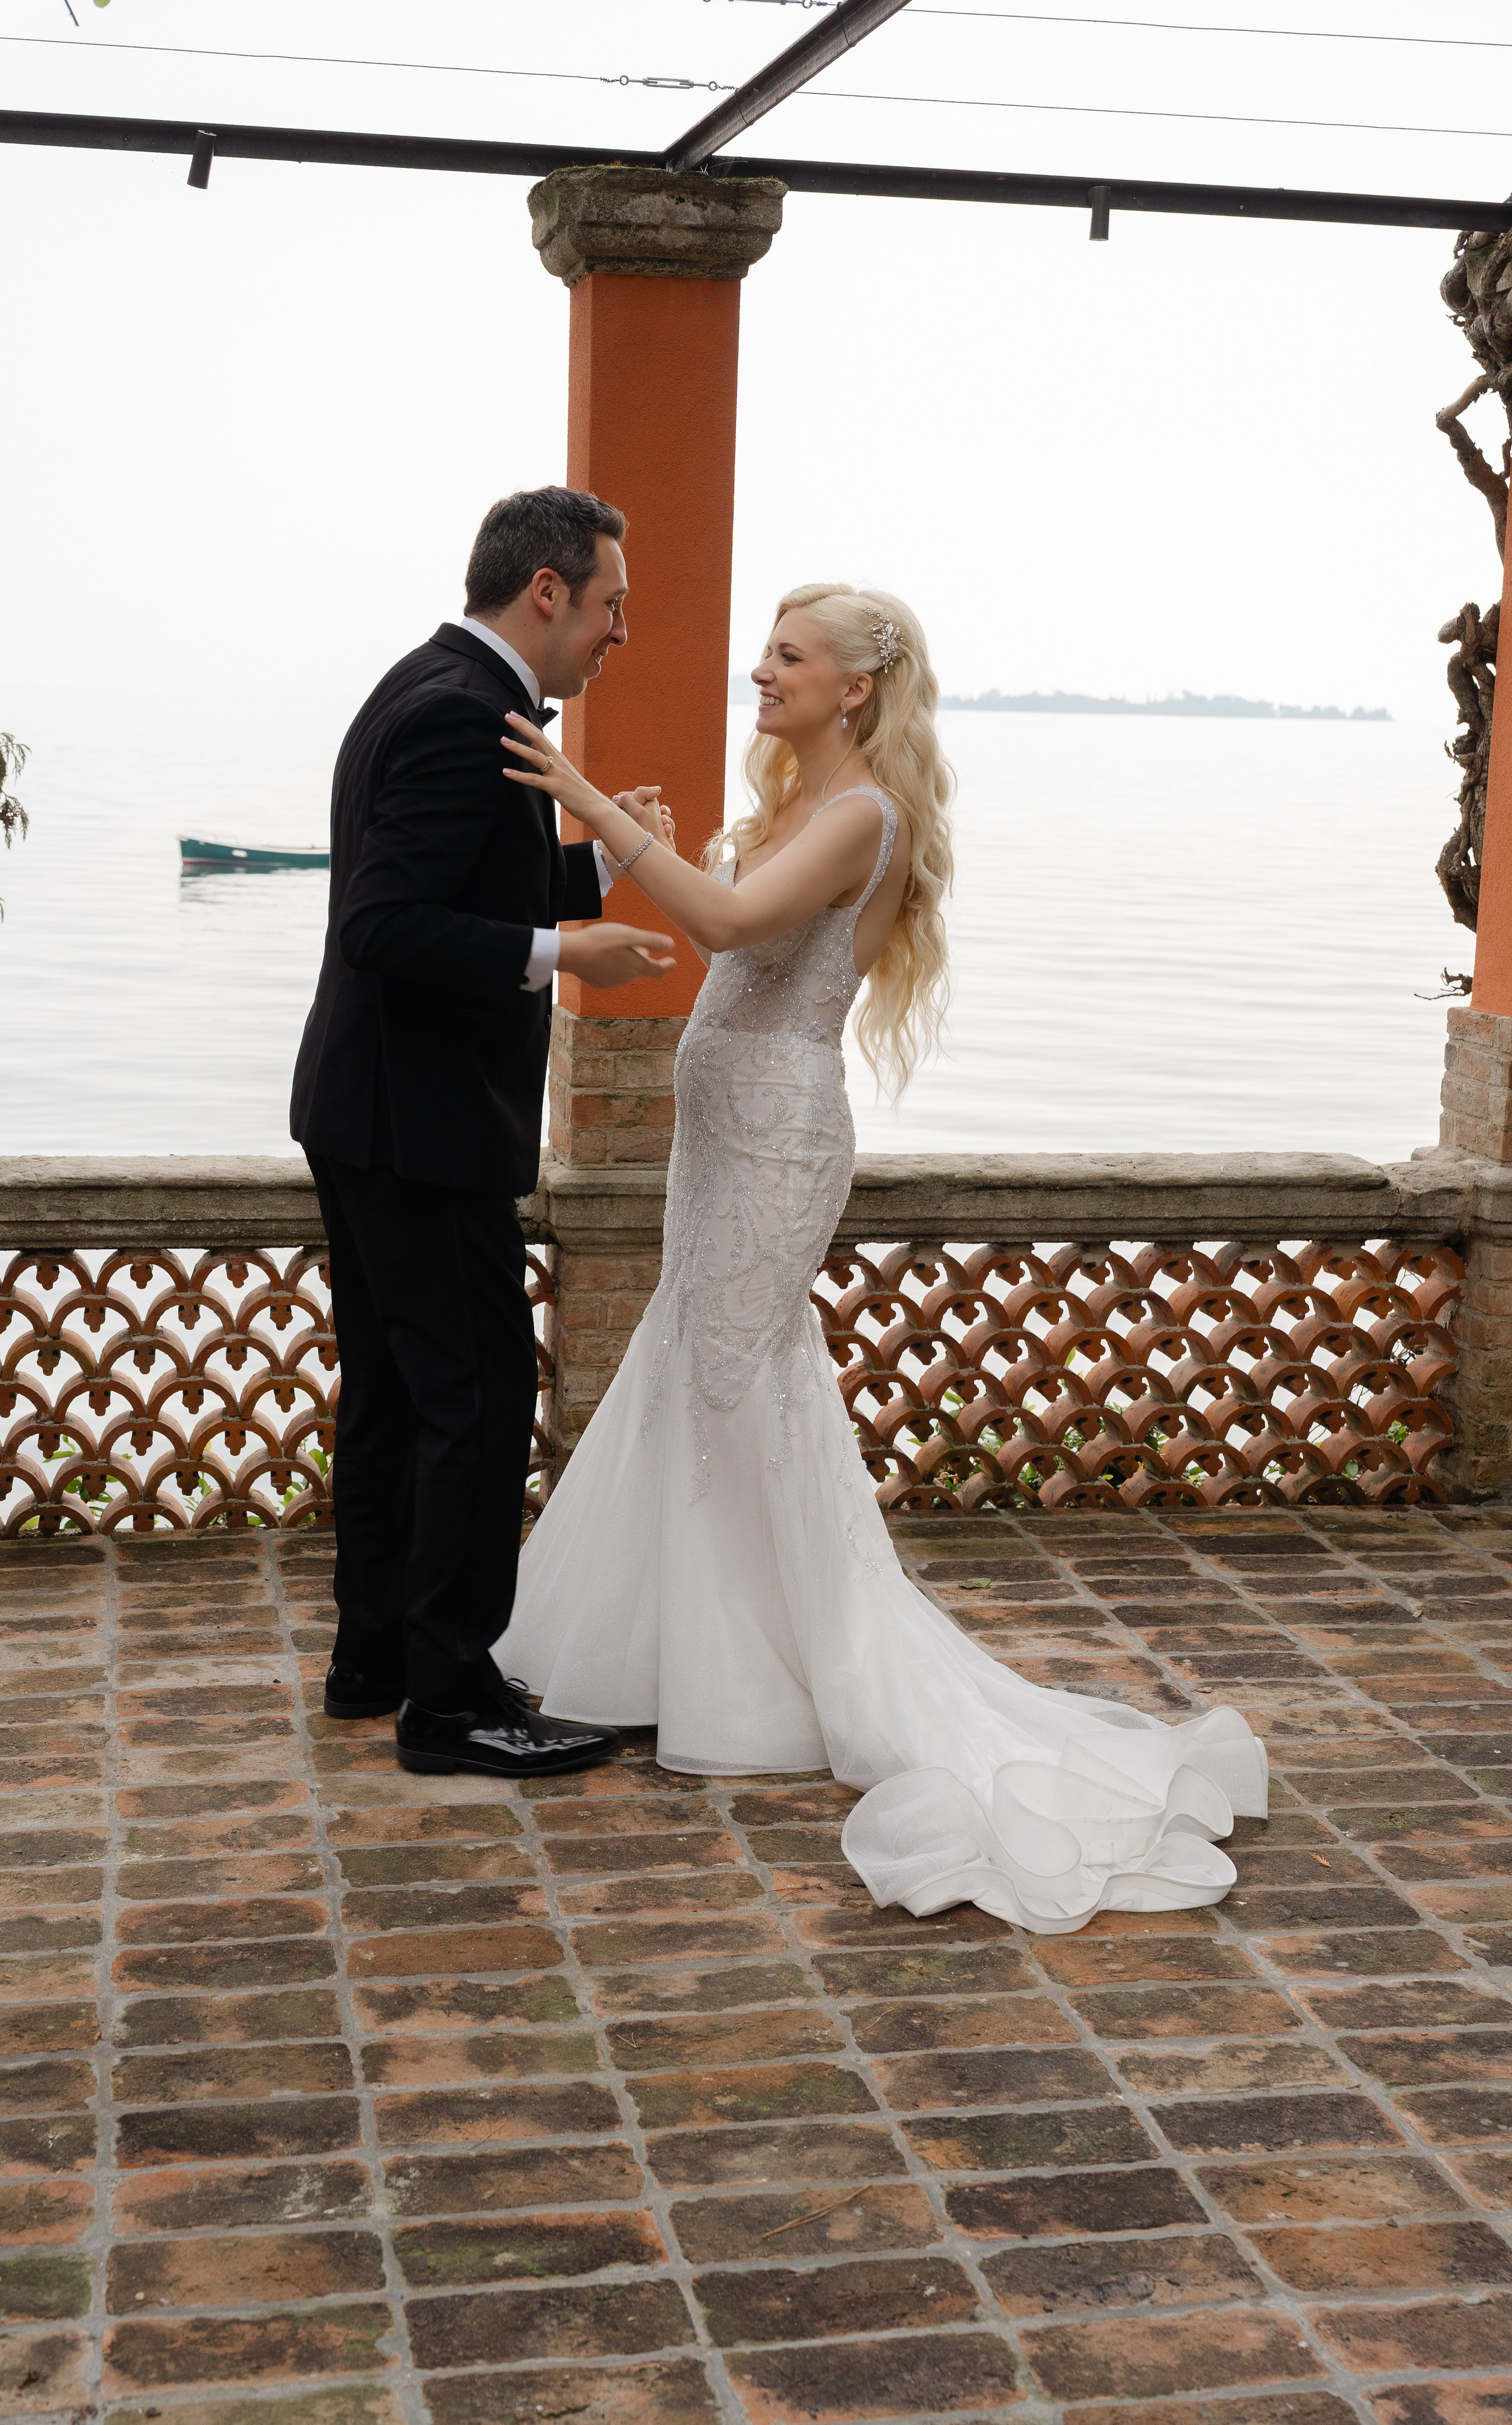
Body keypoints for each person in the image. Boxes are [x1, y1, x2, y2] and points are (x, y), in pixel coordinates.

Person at [492, 581, 1268, 1935]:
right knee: (697, 1372)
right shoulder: (795, 803)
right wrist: (652, 848)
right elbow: (725, 931)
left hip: (778, 1137)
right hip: (717, 1132)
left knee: (740, 1382)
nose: (759, 673)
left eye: (786, 658)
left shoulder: (860, 815)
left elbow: (728, 933)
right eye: (764, 652)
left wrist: (588, 801)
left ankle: (789, 1675)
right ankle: (694, 1657)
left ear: (855, 686)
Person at [290, 486, 677, 1780]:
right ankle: (452, 1701)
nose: (620, 629)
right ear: (549, 591)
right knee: (478, 1399)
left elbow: (450, 887)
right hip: (424, 1123)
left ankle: (380, 1657)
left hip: (370, 1109)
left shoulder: (434, 684)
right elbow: (386, 928)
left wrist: (591, 868)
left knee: (401, 1397)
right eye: (612, 602)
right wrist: (564, 949)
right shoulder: (463, 713)